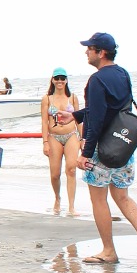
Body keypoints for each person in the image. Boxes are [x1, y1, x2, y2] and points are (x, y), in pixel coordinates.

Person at [76, 33, 137, 265]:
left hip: (101, 148)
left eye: (89, 48)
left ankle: (109, 251)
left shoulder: (96, 80)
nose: (86, 52)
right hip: (122, 146)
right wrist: (74, 115)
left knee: (99, 200)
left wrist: (86, 153)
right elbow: (114, 110)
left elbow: (98, 119)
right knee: (122, 195)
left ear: (101, 52)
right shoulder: (122, 74)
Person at [42, 67, 83, 216]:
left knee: (71, 169)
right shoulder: (47, 98)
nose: (60, 81)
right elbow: (44, 121)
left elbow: (79, 119)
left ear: (66, 80)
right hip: (54, 137)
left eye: (62, 78)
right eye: (57, 78)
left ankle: (72, 206)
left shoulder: (72, 97)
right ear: (52, 80)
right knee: (55, 174)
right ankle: (57, 198)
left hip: (71, 135)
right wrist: (45, 142)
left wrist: (83, 138)